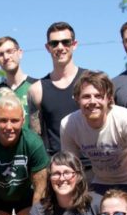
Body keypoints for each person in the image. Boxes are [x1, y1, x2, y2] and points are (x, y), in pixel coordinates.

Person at [59, 70, 127, 215]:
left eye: (98, 96)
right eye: (86, 96)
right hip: (101, 182)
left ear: (109, 98)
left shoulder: (126, 120)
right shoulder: (69, 124)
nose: (92, 102)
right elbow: (71, 169)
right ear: (77, 99)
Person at [28, 22, 87, 156]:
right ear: (48, 47)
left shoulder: (90, 81)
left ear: (74, 44)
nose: (60, 47)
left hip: (93, 167)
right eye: (54, 43)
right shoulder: (37, 90)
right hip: (57, 170)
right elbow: (35, 137)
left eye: (66, 42)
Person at [0, 36, 38, 133]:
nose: (6, 57)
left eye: (9, 51)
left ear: (20, 53)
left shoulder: (37, 86)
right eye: (0, 54)